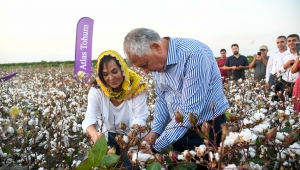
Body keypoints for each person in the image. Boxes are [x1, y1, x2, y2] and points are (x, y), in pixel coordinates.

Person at [123, 28, 229, 166]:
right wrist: (156, 131)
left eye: (145, 65)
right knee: (181, 166)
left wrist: (155, 147)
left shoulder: (193, 55)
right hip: (178, 129)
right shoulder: (158, 63)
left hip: (207, 129)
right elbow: (162, 97)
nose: (146, 71)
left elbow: (190, 111)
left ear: (156, 47)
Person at [82, 50, 148, 169]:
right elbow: (89, 119)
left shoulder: (136, 86)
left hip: (132, 134)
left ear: (122, 69)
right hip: (108, 134)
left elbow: (140, 117)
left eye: (115, 71)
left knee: (133, 166)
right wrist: (94, 134)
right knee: (106, 165)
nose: (111, 78)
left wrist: (131, 135)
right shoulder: (97, 90)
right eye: (105, 74)